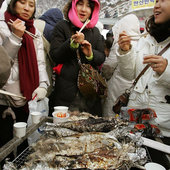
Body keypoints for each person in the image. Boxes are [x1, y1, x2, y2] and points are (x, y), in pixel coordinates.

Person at [117, 0, 170, 168]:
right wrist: (125, 51)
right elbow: (129, 74)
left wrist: (166, 71)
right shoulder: (145, 38)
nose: (156, 6)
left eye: (163, 0)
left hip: (163, 130)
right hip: (134, 123)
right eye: (155, 1)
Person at [0, 0, 49, 163]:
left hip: (26, 100)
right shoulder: (1, 26)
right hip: (4, 101)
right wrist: (15, 37)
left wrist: (43, 85)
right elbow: (2, 65)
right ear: (12, 3)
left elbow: (40, 64)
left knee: (25, 149)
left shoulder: (34, 31)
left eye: (31, 4)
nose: (27, 8)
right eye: (22, 2)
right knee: (5, 150)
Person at [49, 0, 106, 116]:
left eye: (89, 6)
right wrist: (72, 44)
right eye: (80, 4)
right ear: (73, 6)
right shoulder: (62, 27)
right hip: (66, 94)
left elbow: (101, 57)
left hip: (90, 94)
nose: (84, 9)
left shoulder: (95, 32)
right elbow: (55, 55)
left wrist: (90, 54)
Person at [102, 14, 141, 117]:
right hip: (133, 89)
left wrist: (103, 75)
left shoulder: (122, 43)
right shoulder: (142, 44)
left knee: (111, 113)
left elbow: (108, 67)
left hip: (117, 87)